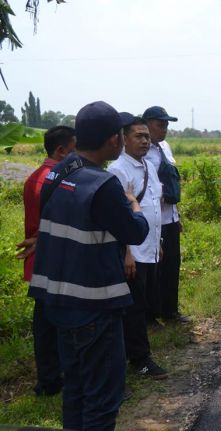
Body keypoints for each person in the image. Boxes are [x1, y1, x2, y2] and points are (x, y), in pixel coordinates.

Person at [28, 101, 149, 431]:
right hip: (95, 307)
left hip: (59, 303)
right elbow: (135, 232)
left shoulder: (59, 172)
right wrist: (135, 206)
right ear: (113, 141)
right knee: (102, 399)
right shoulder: (104, 185)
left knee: (77, 391)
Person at [16, 126, 76, 396]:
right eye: (75, 150)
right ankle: (50, 379)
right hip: (50, 258)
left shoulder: (39, 177)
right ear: (61, 150)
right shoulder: (52, 179)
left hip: (44, 257)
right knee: (49, 323)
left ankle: (52, 377)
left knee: (47, 321)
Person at [107, 116, 168, 379]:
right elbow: (119, 219)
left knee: (142, 304)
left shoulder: (148, 166)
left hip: (150, 247)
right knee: (134, 309)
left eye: (146, 136)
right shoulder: (117, 170)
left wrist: (158, 242)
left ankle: (136, 352)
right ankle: (140, 360)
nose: (145, 140)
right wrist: (128, 252)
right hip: (134, 252)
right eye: (138, 136)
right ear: (123, 139)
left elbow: (154, 204)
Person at [143, 106, 188, 323]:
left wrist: (177, 217)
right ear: (147, 124)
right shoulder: (140, 152)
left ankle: (170, 311)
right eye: (161, 125)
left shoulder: (165, 147)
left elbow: (171, 182)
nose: (165, 129)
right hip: (153, 220)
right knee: (154, 268)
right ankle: (152, 314)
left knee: (172, 264)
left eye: (167, 125)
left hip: (169, 217)